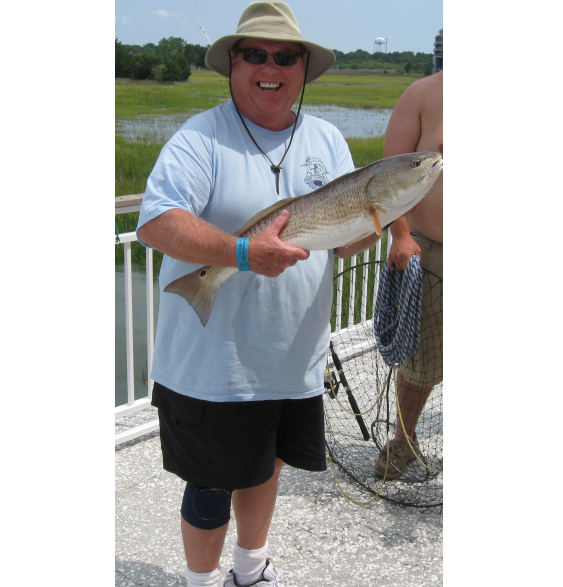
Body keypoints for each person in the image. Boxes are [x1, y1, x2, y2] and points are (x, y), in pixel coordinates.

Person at [135, 3, 380, 586]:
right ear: (233, 64)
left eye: (286, 56)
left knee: (264, 468)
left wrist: (383, 217)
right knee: (211, 482)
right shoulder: (202, 136)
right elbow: (156, 222)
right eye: (255, 54)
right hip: (212, 367)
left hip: (293, 362)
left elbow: (341, 245)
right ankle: (199, 581)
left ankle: (250, 570)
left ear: (303, 69)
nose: (271, 67)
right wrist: (244, 255)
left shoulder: (327, 139)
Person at [374, 71, 444, 480]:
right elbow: (387, 176)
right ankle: (403, 440)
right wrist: (400, 235)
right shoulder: (422, 93)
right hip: (428, 247)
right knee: (420, 360)